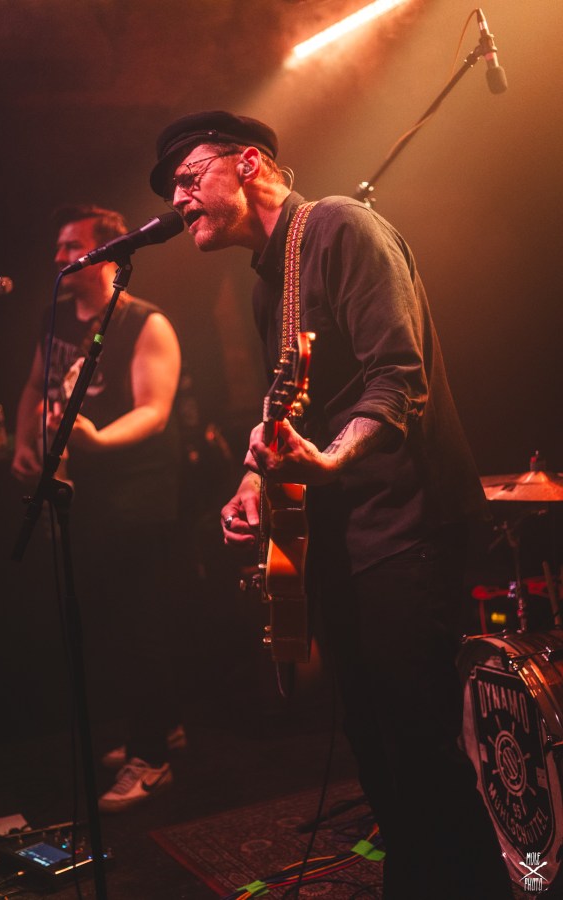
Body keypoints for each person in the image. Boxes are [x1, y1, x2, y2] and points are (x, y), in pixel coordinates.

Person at [148, 111, 514, 899]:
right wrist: (255, 481)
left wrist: (331, 460)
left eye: (187, 178)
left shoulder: (342, 228)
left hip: (407, 526)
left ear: (249, 163)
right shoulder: (266, 286)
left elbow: (398, 378)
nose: (176, 201)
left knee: (420, 752)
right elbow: (291, 414)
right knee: (378, 756)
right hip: (346, 538)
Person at [11, 204, 186, 813]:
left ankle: (152, 757)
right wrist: (25, 443)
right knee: (111, 619)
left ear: (108, 254)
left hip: (137, 490)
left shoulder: (146, 322)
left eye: (73, 246)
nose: (61, 256)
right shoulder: (55, 317)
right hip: (86, 490)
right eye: (60, 246)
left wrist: (98, 440)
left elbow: (154, 411)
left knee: (141, 622)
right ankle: (160, 726)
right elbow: (36, 384)